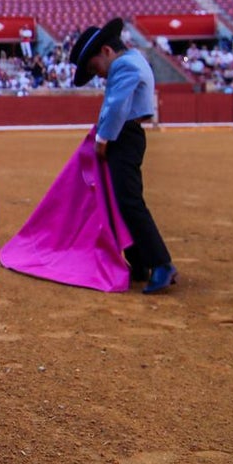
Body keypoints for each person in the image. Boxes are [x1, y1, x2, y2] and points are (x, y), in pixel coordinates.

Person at [69, 18, 177, 294]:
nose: (99, 75)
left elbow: (117, 106)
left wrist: (103, 138)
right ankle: (139, 264)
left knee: (129, 202)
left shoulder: (125, 65)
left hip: (123, 138)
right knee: (121, 201)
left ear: (106, 51)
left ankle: (162, 264)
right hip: (126, 135)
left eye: (95, 67)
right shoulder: (131, 61)